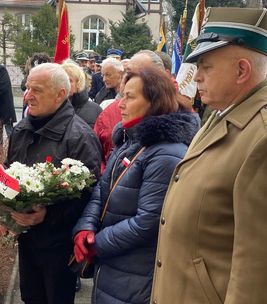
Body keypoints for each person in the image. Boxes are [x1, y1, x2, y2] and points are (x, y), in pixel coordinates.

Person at [150, 8, 267, 304]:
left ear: (241, 71)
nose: (196, 76)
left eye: (206, 67)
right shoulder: (221, 114)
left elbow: (262, 268)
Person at [73, 67, 199, 304]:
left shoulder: (167, 152)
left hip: (138, 275)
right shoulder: (130, 139)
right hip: (112, 266)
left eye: (129, 97)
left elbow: (149, 221)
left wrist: (97, 243)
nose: (120, 104)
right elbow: (103, 191)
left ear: (155, 101)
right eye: (122, 95)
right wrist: (84, 228)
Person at [6, 63, 101, 304]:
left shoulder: (80, 136)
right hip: (27, 240)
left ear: (61, 94)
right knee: (31, 298)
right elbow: (9, 172)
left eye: (36, 90)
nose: (28, 96)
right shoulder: (21, 130)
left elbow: (89, 196)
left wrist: (48, 214)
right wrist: (4, 208)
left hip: (59, 246)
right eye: (27, 88)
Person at [61, 60, 102, 128]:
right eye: (62, 80)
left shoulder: (95, 110)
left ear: (79, 83)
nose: (64, 84)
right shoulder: (51, 108)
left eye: (69, 80)